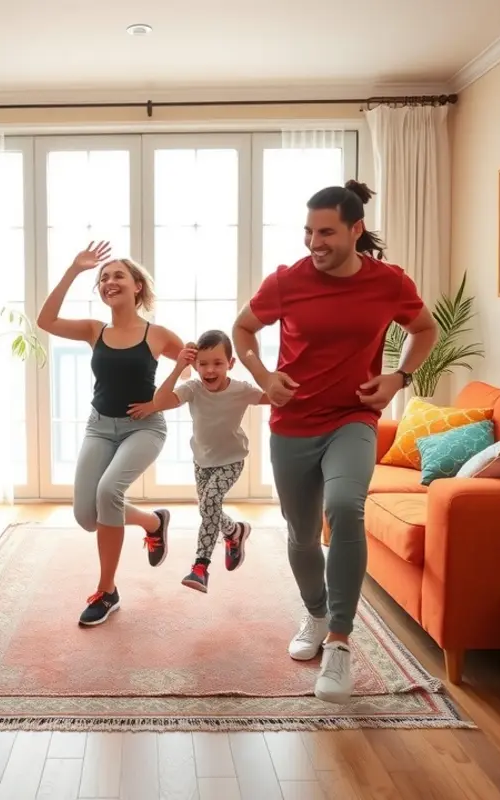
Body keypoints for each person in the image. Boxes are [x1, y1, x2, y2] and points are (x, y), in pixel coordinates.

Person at [232, 180, 437, 704]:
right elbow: (243, 330)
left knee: (346, 507)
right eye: (307, 231)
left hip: (353, 418)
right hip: (293, 422)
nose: (313, 242)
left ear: (354, 229)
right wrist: (264, 375)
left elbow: (425, 330)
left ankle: (341, 643)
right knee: (301, 535)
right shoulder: (287, 281)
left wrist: (399, 378)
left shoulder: (388, 283)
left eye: (325, 232)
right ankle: (317, 613)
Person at [37, 242, 184, 627]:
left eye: (118, 275)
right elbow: (45, 321)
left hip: (144, 428)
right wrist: (74, 269)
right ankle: (154, 523)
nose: (109, 281)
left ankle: (107, 591)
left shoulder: (158, 334)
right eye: (103, 278)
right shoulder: (94, 330)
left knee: (108, 494)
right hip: (99, 426)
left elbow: (192, 373)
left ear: (138, 286)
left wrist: (157, 402)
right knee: (87, 516)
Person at [129, 330, 269, 592]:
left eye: (217, 363)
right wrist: (179, 366)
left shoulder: (241, 390)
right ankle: (235, 532)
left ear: (231, 364)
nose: (210, 370)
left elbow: (273, 398)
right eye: (203, 364)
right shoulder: (193, 388)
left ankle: (200, 567)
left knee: (210, 502)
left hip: (232, 460)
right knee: (208, 509)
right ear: (195, 366)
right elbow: (159, 402)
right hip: (202, 461)